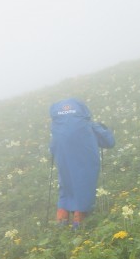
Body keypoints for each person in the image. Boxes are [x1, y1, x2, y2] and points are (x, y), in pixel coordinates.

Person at [49, 97, 115, 228]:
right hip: (86, 160)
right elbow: (109, 142)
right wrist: (103, 128)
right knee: (84, 183)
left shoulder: (57, 129)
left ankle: (62, 217)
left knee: (66, 183)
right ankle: (79, 218)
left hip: (63, 160)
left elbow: (52, 148)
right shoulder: (88, 125)